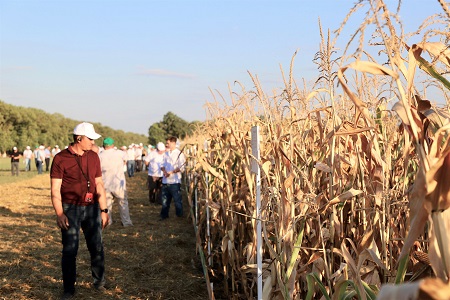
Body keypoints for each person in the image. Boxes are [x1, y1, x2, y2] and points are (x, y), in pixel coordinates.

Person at [50, 122, 109, 299]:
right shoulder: (60, 158)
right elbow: (55, 189)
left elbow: (99, 183)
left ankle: (99, 282)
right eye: (90, 138)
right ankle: (68, 289)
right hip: (70, 209)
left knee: (97, 247)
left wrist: (104, 209)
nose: (93, 142)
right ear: (79, 138)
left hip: (91, 209)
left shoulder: (94, 157)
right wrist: (60, 213)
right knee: (70, 250)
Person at [99, 137, 133, 227]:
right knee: (123, 202)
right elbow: (126, 159)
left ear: (104, 145)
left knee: (107, 204)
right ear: (113, 145)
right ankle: (126, 222)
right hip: (118, 184)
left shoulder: (100, 155)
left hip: (105, 183)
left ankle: (108, 222)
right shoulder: (119, 153)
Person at [160, 136, 186, 220]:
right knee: (164, 200)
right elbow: (162, 165)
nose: (166, 145)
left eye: (168, 143)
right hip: (165, 181)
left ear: (174, 143)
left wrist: (170, 172)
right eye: (166, 143)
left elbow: (181, 167)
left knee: (177, 200)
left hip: (175, 181)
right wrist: (164, 172)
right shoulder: (166, 154)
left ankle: (179, 216)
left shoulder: (179, 154)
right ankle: (164, 216)